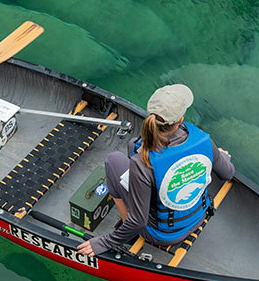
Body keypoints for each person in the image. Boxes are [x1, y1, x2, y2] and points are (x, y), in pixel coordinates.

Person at [77, 84, 234, 257]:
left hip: (161, 234)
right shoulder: (204, 140)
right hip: (198, 216)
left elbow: (138, 221)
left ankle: (124, 224)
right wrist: (221, 156)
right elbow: (228, 173)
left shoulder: (142, 163)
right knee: (132, 145)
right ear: (181, 120)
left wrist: (106, 242)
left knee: (114, 160)